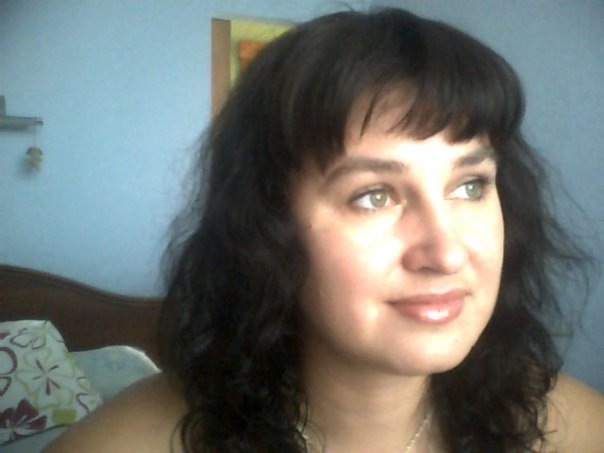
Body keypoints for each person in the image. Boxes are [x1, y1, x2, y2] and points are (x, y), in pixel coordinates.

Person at [46, 7, 604, 453]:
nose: (447, 252)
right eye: (373, 196)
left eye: (470, 186)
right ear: (266, 227)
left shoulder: (567, 426)